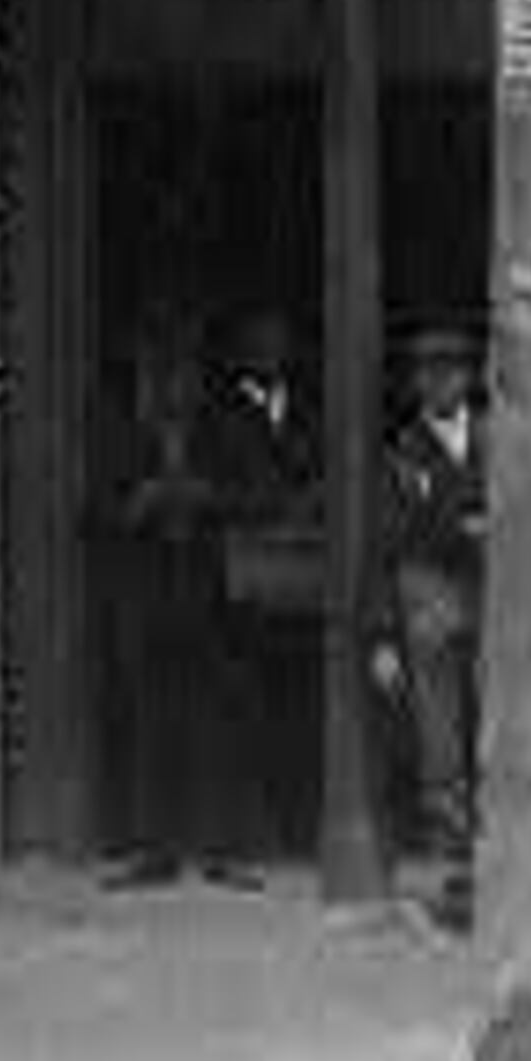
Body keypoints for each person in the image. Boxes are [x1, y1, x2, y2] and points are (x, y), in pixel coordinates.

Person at [93, 305, 234, 883]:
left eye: (184, 373)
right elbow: (94, 509)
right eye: (162, 372)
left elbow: (252, 493)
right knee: (148, 723)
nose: (174, 386)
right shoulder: (119, 434)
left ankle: (213, 847)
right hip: (144, 594)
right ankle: (153, 849)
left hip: (202, 592)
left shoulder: (215, 433)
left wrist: (206, 496)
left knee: (208, 722)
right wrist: (140, 503)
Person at [368, 319, 485, 930]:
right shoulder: (403, 454)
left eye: (453, 371)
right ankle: (453, 872)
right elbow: (387, 547)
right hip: (429, 594)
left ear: (469, 377)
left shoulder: (495, 438)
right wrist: (383, 635)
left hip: (491, 593)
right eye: (431, 374)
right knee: (440, 742)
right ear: (417, 384)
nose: (443, 384)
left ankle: (502, 861)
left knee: (499, 726)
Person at [200, 302, 321, 871]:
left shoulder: (312, 408)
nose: (271, 350)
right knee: (249, 707)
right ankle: (253, 831)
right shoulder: (219, 416)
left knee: (304, 704)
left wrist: (308, 505)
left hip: (305, 575)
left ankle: (300, 827)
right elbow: (217, 484)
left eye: (279, 339)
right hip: (246, 576)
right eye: (260, 340)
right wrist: (265, 507)